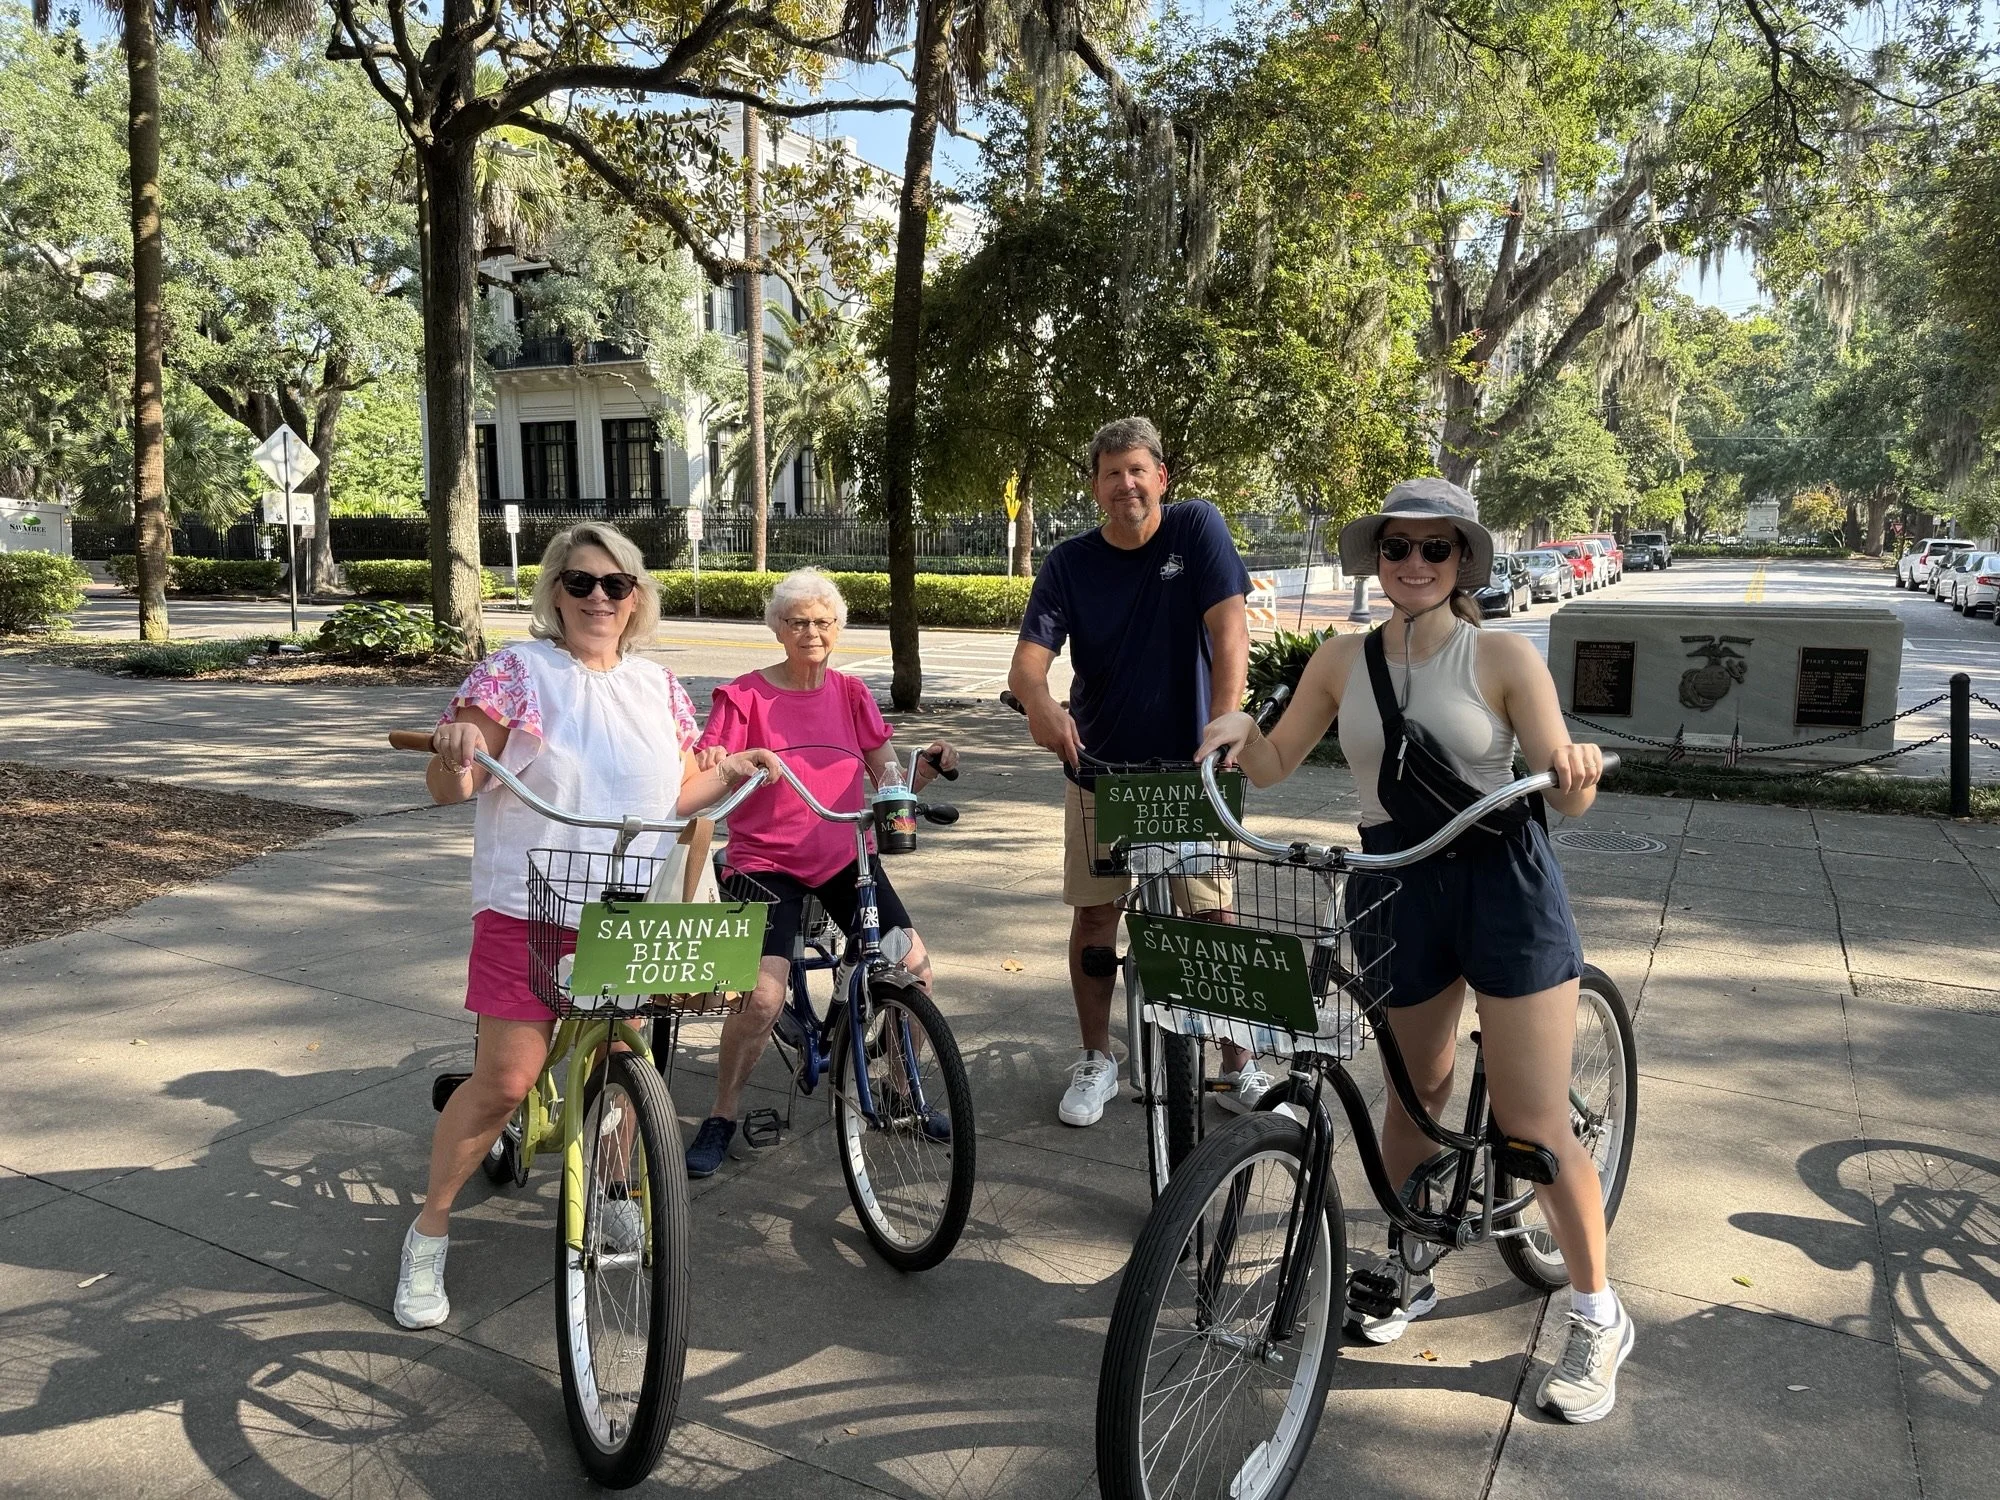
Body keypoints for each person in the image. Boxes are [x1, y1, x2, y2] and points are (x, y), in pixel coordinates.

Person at [1195, 477, 1629, 1424]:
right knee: (1415, 1093)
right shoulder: (1341, 660)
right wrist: (1237, 730)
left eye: (1438, 550)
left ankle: (1597, 1313)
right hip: (1396, 881)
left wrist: (1576, 771)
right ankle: (1409, 1263)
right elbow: (1271, 762)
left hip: (1501, 886)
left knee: (1530, 1123)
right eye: (1399, 548)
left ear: (1463, 561)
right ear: (1378, 558)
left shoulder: (1504, 655)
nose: (1416, 564)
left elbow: (1565, 791)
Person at [394, 523, 783, 1330]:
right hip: (530, 904)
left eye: (616, 584)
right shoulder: (519, 672)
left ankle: (610, 1193)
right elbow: (449, 785)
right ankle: (429, 1228)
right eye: (580, 583)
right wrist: (458, 745)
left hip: (627, 910)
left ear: (636, 596)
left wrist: (726, 773)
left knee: (619, 1059)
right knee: (505, 1081)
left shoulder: (657, 685)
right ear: (554, 593)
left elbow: (673, 797)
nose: (599, 598)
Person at [1006, 415, 1261, 1129]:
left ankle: (1236, 1061)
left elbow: (1230, 630)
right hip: (1101, 772)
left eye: (1138, 470)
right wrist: (1041, 703)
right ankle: (1098, 1057)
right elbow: (1028, 664)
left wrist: (1224, 722)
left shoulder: (1197, 530)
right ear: (1095, 486)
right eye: (1112, 473)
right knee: (1095, 917)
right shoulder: (1068, 563)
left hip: (1190, 773)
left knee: (1212, 913)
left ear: (1161, 477)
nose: (1126, 484)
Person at [683, 568, 958, 1177]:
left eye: (823, 621)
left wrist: (924, 770)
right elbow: (712, 765)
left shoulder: (851, 694)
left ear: (838, 629)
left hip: (846, 860)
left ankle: (896, 1089)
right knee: (761, 997)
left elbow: (887, 779)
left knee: (914, 970)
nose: (812, 632)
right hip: (764, 862)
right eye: (798, 622)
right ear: (778, 628)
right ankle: (723, 1113)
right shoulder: (743, 696)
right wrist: (719, 760)